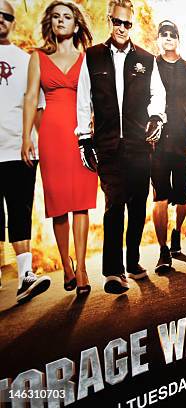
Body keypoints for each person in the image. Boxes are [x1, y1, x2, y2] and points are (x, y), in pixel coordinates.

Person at [75, 0, 167, 294]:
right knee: (114, 204)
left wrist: (157, 117)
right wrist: (84, 139)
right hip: (108, 145)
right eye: (117, 22)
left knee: (138, 205)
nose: (122, 28)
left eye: (127, 24)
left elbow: (158, 95)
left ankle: (133, 260)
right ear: (109, 20)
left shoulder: (146, 59)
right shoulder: (92, 57)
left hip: (140, 145)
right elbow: (82, 101)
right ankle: (113, 271)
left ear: (132, 25)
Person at [22, 0, 96, 296]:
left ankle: (80, 269)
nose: (61, 21)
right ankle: (66, 265)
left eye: (67, 17)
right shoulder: (37, 57)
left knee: (81, 201)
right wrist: (26, 137)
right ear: (50, 23)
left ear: (77, 24)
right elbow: (30, 97)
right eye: (56, 17)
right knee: (58, 204)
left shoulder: (88, 58)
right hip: (51, 135)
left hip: (80, 135)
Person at [0, 0, 50, 302]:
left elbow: (40, 109)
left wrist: (46, 147)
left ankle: (24, 277)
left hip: (20, 150)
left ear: (13, 22)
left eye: (6, 16)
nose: (1, 21)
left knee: (20, 213)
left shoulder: (26, 60)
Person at [151, 20, 186, 270]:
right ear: (158, 39)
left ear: (178, 38)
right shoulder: (151, 67)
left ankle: (176, 232)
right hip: (157, 145)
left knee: (183, 196)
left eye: (172, 34)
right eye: (163, 34)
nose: (167, 38)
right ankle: (163, 250)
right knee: (160, 197)